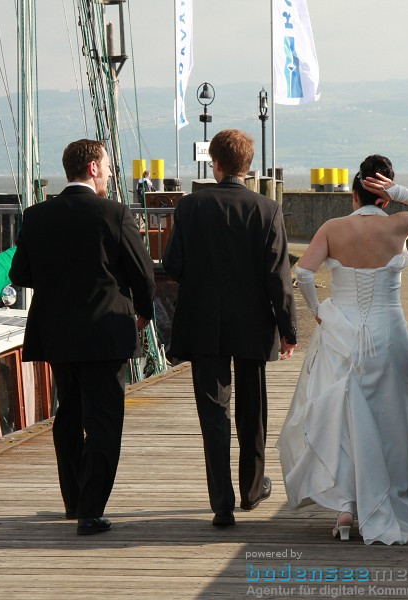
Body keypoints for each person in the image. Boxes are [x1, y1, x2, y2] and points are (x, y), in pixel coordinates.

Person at [277, 154, 408, 545]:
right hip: (391, 334)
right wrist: (397, 191)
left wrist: (319, 311)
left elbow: (302, 272)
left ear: (353, 195)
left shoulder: (334, 227)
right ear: (384, 197)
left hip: (342, 335)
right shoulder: (401, 224)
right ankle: (387, 499)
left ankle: (347, 507)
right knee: (393, 420)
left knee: (345, 421)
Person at [9, 139, 155, 536]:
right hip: (106, 330)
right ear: (93, 168)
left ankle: (73, 500)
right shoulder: (115, 213)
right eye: (107, 166)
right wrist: (143, 310)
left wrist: (57, 283)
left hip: (57, 332)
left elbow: (19, 275)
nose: (110, 173)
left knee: (69, 414)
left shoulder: (36, 216)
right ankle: (91, 511)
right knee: (104, 421)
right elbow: (143, 274)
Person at [162, 128, 298, 528]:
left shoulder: (189, 208)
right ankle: (253, 490)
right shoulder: (266, 210)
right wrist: (288, 329)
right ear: (248, 165)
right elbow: (279, 277)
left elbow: (173, 264)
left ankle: (221, 502)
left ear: (215, 164)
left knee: (213, 411)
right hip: (253, 323)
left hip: (204, 322)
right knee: (253, 410)